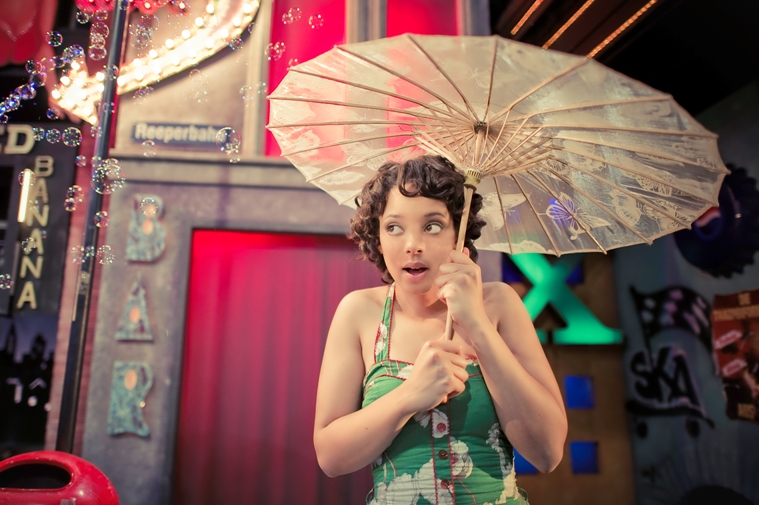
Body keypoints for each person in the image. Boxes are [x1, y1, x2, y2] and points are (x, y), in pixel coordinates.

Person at [314, 155, 567, 504]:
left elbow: (548, 453)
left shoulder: (499, 304)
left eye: (432, 226)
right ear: (378, 239)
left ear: (458, 236)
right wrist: (410, 394)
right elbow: (331, 457)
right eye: (394, 227)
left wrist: (476, 324)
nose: (412, 244)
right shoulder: (358, 312)